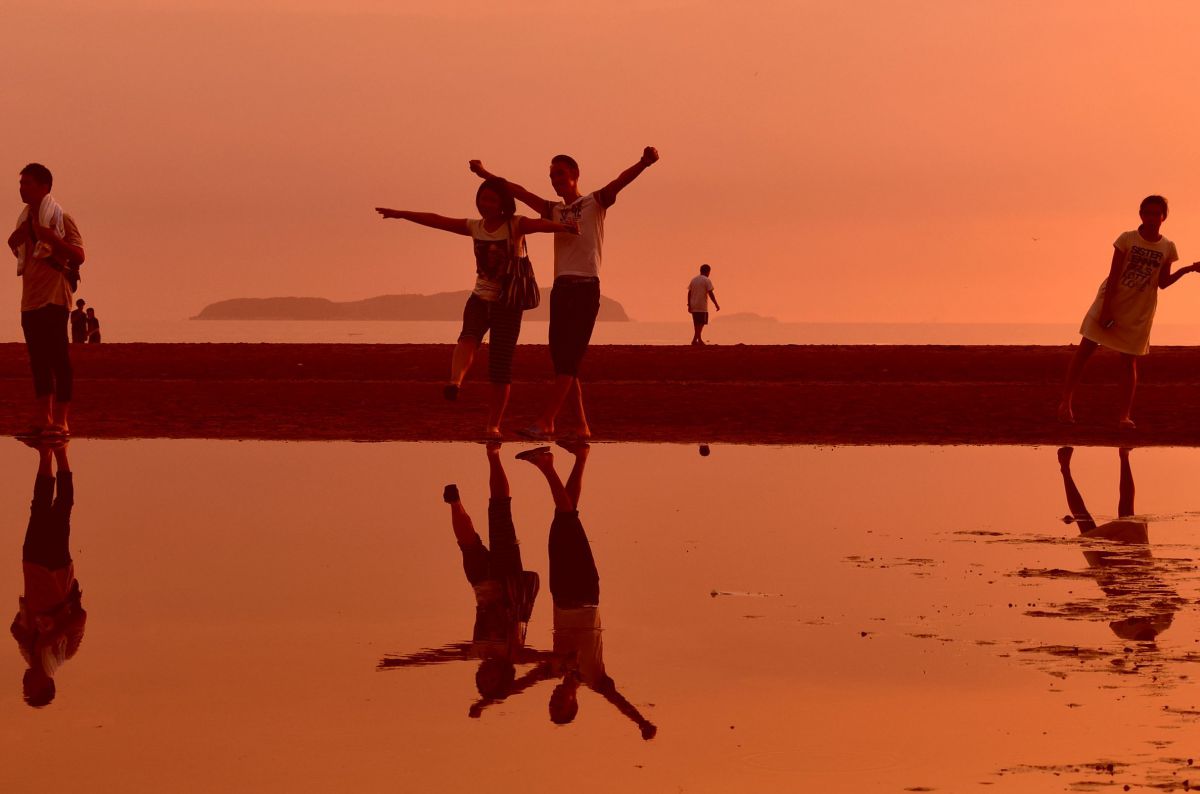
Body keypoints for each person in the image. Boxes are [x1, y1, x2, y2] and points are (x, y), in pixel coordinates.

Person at [470, 147, 660, 441]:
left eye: (560, 173)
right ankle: (582, 426)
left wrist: (644, 163)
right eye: (551, 176)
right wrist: (486, 175)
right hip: (560, 289)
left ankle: (547, 420)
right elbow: (517, 191)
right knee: (562, 361)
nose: (555, 179)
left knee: (569, 358)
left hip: (585, 287)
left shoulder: (594, 202)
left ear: (574, 174)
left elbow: (620, 182)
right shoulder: (553, 210)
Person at [376, 179, 578, 439]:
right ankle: (455, 382)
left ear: (503, 204)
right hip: (479, 298)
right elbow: (437, 220)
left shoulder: (515, 224)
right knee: (468, 336)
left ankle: (493, 425)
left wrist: (563, 227)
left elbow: (540, 225)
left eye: (492, 200)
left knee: (500, 367)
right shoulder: (475, 227)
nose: (486, 205)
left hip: (508, 303)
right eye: (483, 199)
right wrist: (401, 214)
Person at [377, 442, 542, 714]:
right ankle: (492, 456)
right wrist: (485, 702)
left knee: (467, 542)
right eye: (490, 680)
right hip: (508, 579)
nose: (484, 675)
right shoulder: (515, 654)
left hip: (482, 585)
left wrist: (403, 662)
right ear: (502, 677)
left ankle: (455, 502)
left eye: (481, 681)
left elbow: (438, 656)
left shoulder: (478, 652)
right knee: (500, 511)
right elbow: (537, 671)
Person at [513, 442, 657, 739]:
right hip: (584, 595)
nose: (553, 699)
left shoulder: (552, 671)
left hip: (560, 595)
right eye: (559, 705)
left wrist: (489, 700)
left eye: (551, 705)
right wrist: (641, 721)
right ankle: (547, 465)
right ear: (573, 704)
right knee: (565, 522)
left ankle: (580, 457)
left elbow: (518, 685)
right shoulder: (593, 678)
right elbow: (617, 699)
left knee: (565, 520)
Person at [1057, 195, 1199, 429]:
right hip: (1112, 301)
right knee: (1085, 351)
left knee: (1128, 361)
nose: (1152, 218)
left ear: (1164, 217)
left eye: (1157, 214)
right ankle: (1065, 403)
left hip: (1139, 309)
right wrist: (1106, 310)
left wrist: (1187, 270)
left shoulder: (1167, 247)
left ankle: (1124, 415)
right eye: (1148, 213)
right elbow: (1113, 275)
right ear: (1141, 214)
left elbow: (1162, 283)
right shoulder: (1127, 239)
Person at [1056, 446, 1177, 642]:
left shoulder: (1124, 632)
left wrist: (1125, 606)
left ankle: (1065, 469)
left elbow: (1112, 613)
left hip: (1110, 577)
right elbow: (1169, 595)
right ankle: (1124, 456)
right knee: (1127, 512)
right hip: (1140, 567)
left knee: (1084, 521)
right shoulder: (1163, 621)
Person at [7, 164, 85, 437]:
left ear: (44, 187)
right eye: (21, 183)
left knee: (58, 359)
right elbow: (22, 254)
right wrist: (14, 243)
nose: (22, 188)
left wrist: (53, 239)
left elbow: (79, 256)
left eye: (27, 183)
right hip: (30, 299)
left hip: (54, 297)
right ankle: (44, 416)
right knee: (38, 360)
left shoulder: (60, 218)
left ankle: (62, 420)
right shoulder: (24, 219)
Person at [10, 437, 86, 708]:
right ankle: (61, 454)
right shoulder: (65, 652)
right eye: (29, 689)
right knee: (62, 509)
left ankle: (45, 455)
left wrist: (25, 630)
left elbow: (14, 627)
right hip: (56, 572)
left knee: (38, 507)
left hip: (32, 568)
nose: (24, 684)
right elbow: (80, 616)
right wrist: (54, 632)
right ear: (45, 685)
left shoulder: (29, 653)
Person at [687, 264, 720, 345]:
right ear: (708, 271)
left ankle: (697, 340)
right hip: (702, 305)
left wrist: (689, 304)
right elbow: (710, 293)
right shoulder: (706, 280)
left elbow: (689, 293)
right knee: (701, 323)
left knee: (697, 323)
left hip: (694, 304)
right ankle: (696, 339)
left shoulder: (694, 280)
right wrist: (716, 304)